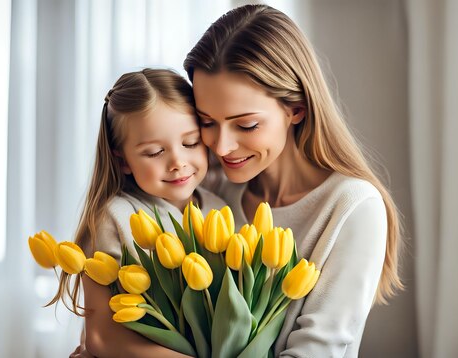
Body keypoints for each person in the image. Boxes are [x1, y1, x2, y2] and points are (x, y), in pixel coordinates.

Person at [183, 4, 403, 357]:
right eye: (207, 121)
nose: (221, 146)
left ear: (296, 109)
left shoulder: (352, 208)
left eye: (246, 125)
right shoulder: (207, 192)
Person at [53, 68, 224, 358]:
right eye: (155, 151)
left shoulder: (220, 211)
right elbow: (100, 337)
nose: (177, 162)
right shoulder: (113, 218)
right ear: (123, 161)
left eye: (191, 143)